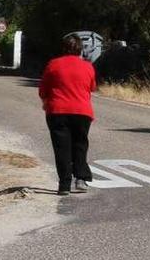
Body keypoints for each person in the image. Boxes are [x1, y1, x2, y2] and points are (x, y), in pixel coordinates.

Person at [39, 34, 97, 195]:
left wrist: (46, 100)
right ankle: (81, 178)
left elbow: (43, 89)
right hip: (82, 111)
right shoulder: (88, 67)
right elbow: (92, 87)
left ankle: (64, 185)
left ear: (63, 49)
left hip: (58, 111)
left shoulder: (53, 65)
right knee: (80, 144)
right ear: (80, 49)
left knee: (61, 147)